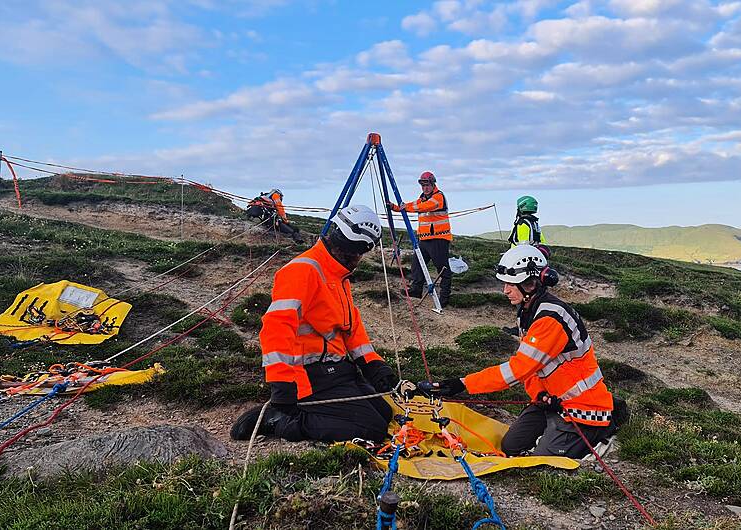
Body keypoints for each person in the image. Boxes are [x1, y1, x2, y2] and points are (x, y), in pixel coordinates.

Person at [417, 245, 627, 458]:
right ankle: (553, 430)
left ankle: (603, 428)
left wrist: (463, 384)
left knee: (541, 463)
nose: (505, 290)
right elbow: (533, 368)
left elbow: (518, 370)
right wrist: (539, 394)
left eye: (511, 284)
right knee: (510, 446)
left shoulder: (549, 319)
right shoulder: (529, 310)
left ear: (531, 284)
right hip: (551, 401)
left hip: (582, 408)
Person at [230, 204, 398, 442]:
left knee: (384, 414)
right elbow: (277, 326)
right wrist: (282, 382)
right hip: (309, 377)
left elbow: (350, 327)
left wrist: (372, 365)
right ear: (353, 248)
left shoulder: (337, 275)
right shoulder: (303, 270)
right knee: (372, 431)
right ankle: (278, 420)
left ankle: (305, 412)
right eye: (359, 253)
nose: (359, 259)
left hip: (337, 370)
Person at [389, 171, 452, 306]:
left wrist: (406, 207)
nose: (425, 188)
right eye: (423, 185)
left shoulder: (438, 197)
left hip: (438, 239)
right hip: (424, 239)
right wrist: (396, 207)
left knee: (442, 268)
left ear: (433, 183)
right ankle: (416, 290)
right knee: (417, 266)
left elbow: (423, 207)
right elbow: (413, 205)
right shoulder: (422, 198)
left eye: (427, 185)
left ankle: (444, 298)